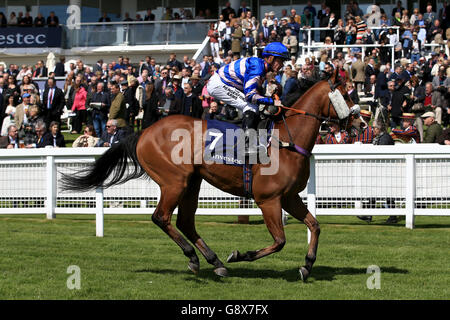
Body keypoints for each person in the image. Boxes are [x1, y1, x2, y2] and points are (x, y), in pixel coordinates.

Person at [206, 42, 288, 155]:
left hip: (225, 83)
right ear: (270, 58)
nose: (282, 65)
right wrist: (273, 101)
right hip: (218, 84)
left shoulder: (261, 68)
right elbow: (250, 96)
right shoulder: (257, 68)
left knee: (255, 107)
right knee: (250, 106)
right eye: (281, 61)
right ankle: (246, 146)